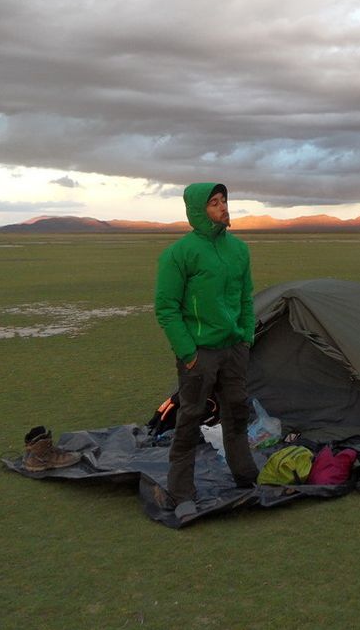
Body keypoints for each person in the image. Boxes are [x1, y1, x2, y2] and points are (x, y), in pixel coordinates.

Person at [154, 182, 259, 513]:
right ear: (199, 211)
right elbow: (166, 307)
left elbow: (245, 297)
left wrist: (246, 337)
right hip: (200, 353)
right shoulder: (180, 254)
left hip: (234, 349)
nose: (223, 207)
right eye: (214, 203)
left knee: (238, 410)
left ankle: (245, 475)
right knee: (189, 418)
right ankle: (181, 493)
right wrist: (188, 352)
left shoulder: (239, 250)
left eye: (224, 201)